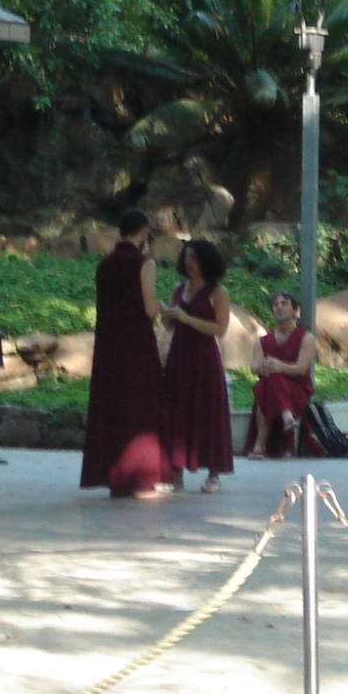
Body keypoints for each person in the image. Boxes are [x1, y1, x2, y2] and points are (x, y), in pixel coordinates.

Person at [78, 209, 170, 499]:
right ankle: (141, 479)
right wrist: (162, 307)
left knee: (112, 407)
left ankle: (112, 476)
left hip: (109, 345)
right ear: (142, 231)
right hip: (137, 344)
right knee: (139, 407)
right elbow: (150, 309)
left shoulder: (105, 264)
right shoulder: (144, 263)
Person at [160, 237, 236, 493]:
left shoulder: (218, 292)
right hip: (179, 356)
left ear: (206, 261)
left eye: (194, 257)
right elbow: (170, 325)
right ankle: (175, 473)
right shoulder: (178, 288)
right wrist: (165, 313)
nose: (189, 261)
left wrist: (187, 318)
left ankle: (214, 473)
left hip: (205, 358)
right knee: (177, 410)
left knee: (209, 412)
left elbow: (220, 329)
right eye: (187, 256)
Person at [246, 289, 316, 458]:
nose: (279, 307)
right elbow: (254, 367)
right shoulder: (262, 341)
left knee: (266, 384)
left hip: (297, 389)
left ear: (294, 310)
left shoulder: (306, 338)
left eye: (284, 303)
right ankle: (286, 417)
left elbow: (301, 368)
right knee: (267, 382)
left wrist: (279, 366)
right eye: (275, 304)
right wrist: (265, 366)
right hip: (271, 388)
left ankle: (260, 444)